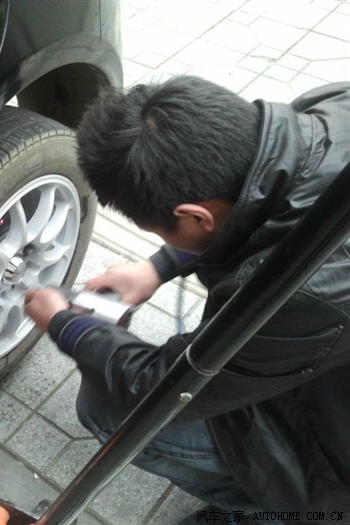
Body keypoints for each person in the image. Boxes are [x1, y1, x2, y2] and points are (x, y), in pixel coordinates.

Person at [23, 76, 350, 521]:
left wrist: (69, 327)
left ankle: (269, 512)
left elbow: (166, 390)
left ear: (196, 216)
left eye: (161, 232)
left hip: (335, 451)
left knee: (112, 412)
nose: (164, 241)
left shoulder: (301, 292)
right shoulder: (328, 112)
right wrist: (158, 266)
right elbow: (254, 204)